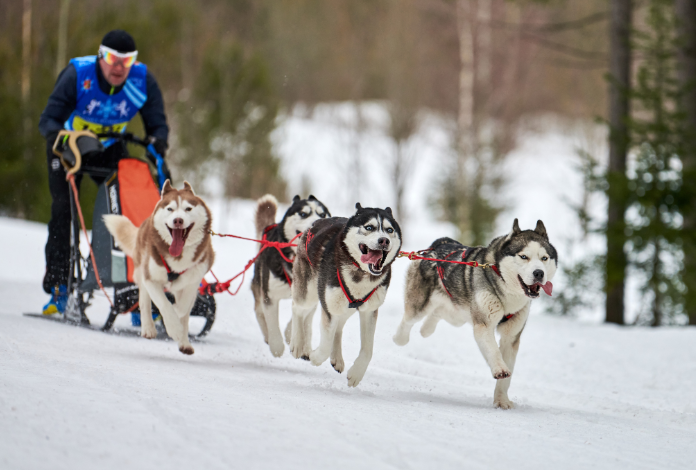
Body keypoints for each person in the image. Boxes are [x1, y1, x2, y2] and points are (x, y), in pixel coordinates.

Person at [39, 30, 169, 314]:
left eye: (127, 60)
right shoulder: (78, 75)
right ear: (100, 56)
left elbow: (157, 124)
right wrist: (59, 137)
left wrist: (158, 140)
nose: (119, 67)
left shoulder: (141, 80)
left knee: (127, 212)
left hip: (110, 147)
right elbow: (48, 119)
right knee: (63, 211)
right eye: (112, 58)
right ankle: (59, 289)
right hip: (69, 146)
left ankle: (133, 292)